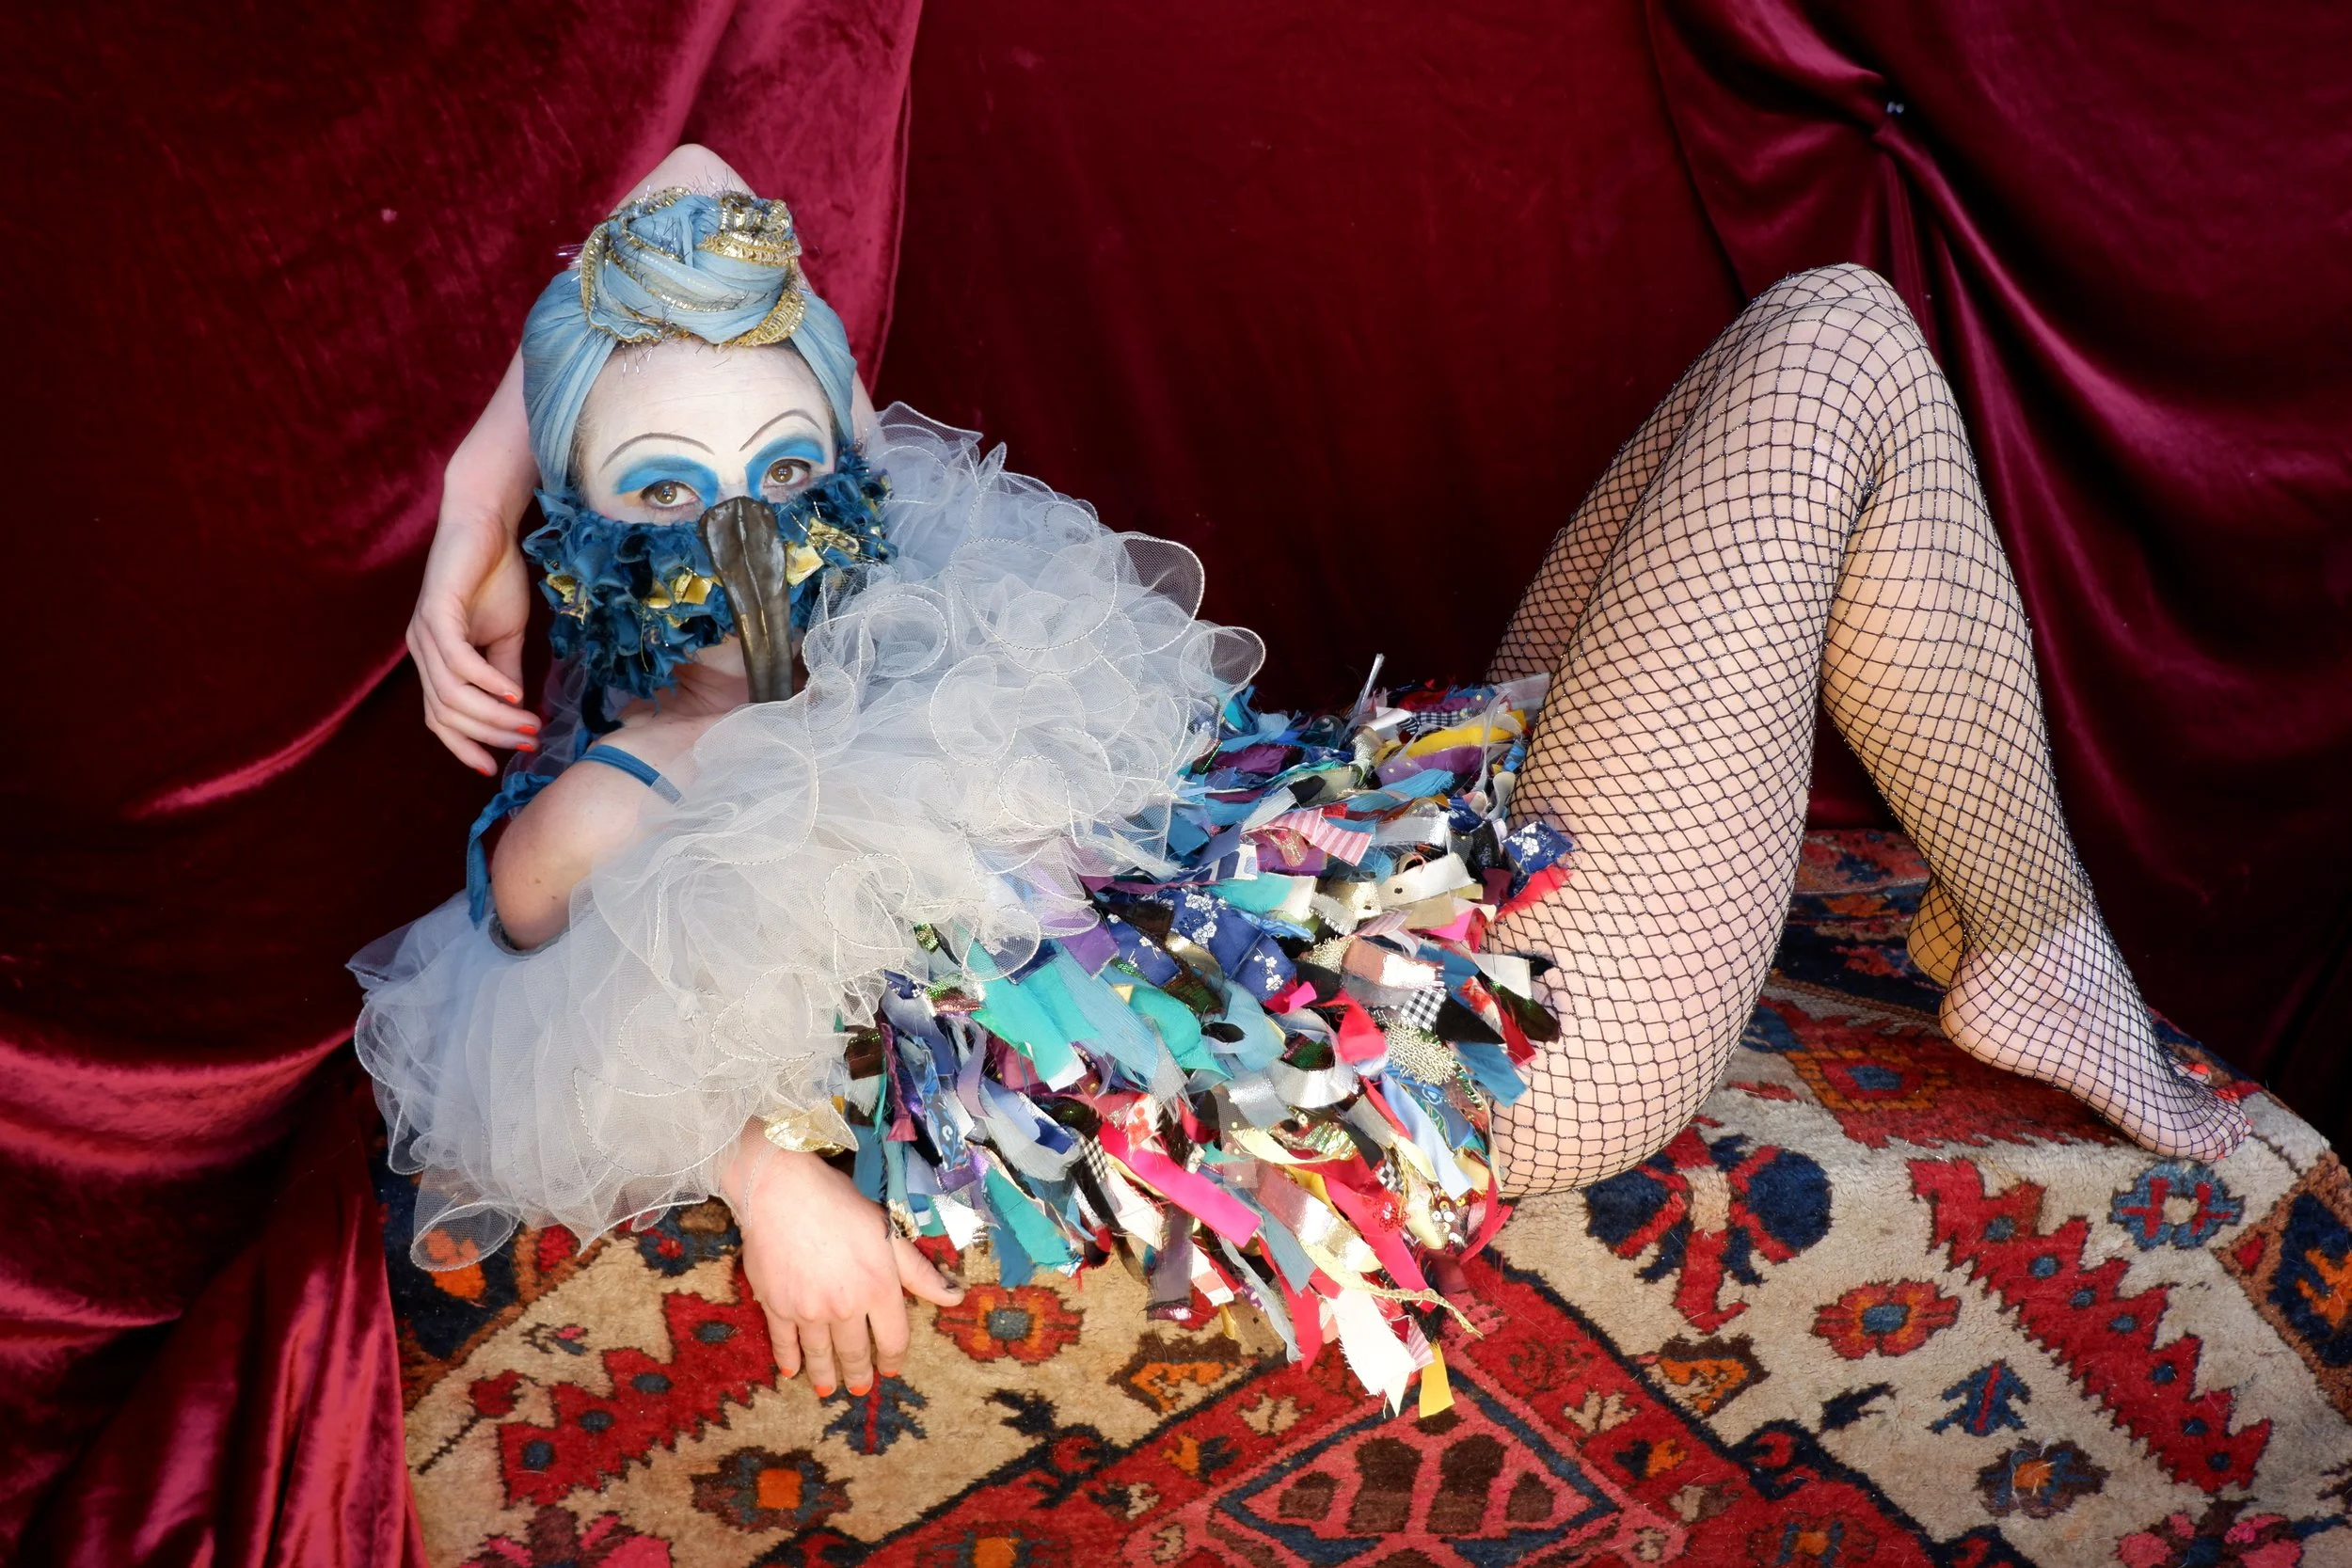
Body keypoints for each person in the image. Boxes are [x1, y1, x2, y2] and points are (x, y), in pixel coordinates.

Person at [382, 143, 2247, 1403]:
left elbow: (694, 193)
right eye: (651, 490)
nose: (734, 538)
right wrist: (759, 1173)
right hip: (1513, 1026)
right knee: (1842, 342)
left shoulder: (887, 574)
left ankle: (2029, 925)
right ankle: (2038, 933)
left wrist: (480, 466)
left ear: (842, 441)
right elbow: (505, 1030)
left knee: (1801, 332)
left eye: (780, 464)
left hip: (1425, 822)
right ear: (581, 520)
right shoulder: (617, 790)